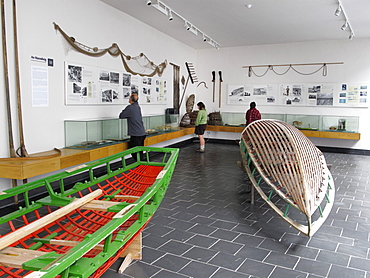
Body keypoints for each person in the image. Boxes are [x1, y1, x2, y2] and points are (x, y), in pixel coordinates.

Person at [119, 93, 146, 160]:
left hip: (135, 134)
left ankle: (140, 167)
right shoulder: (137, 107)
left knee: (134, 152)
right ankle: (142, 166)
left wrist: (124, 110)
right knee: (140, 152)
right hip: (141, 133)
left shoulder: (130, 108)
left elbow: (121, 116)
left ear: (131, 99)